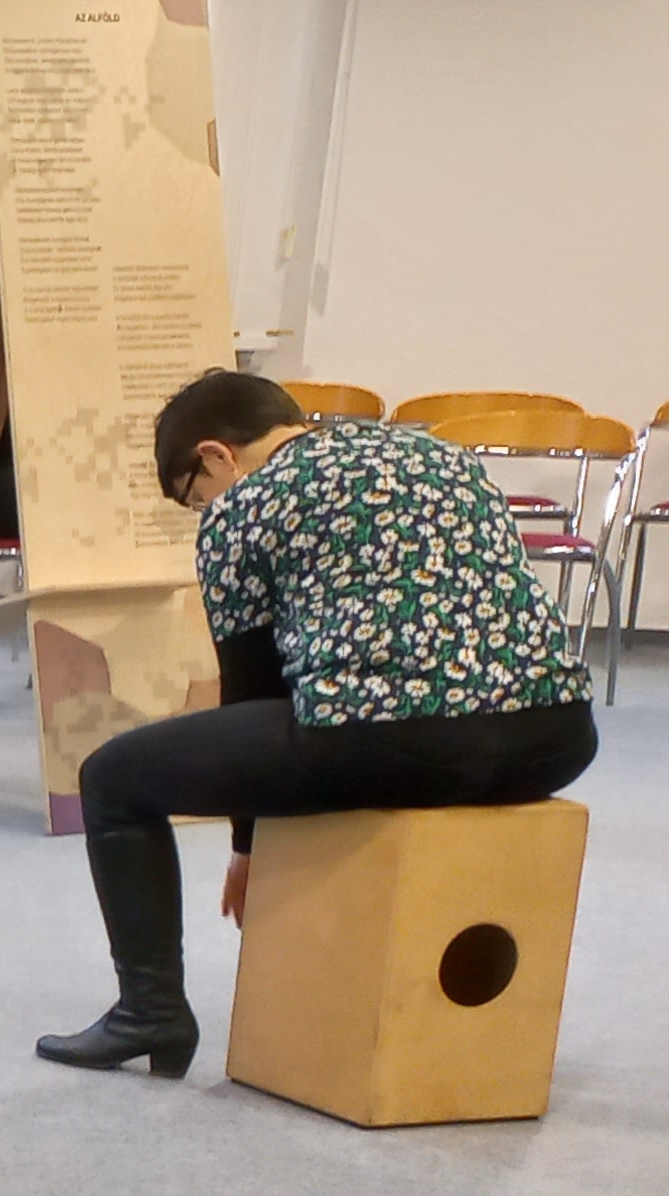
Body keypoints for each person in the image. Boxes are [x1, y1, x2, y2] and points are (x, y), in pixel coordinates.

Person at [36, 370, 599, 1075]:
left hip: (393, 738)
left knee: (112, 778)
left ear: (216, 456)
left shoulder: (244, 506)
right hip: (554, 735)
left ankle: (149, 1012)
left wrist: (248, 844)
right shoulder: (444, 456)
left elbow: (251, 691)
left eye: (195, 496)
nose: (205, 508)